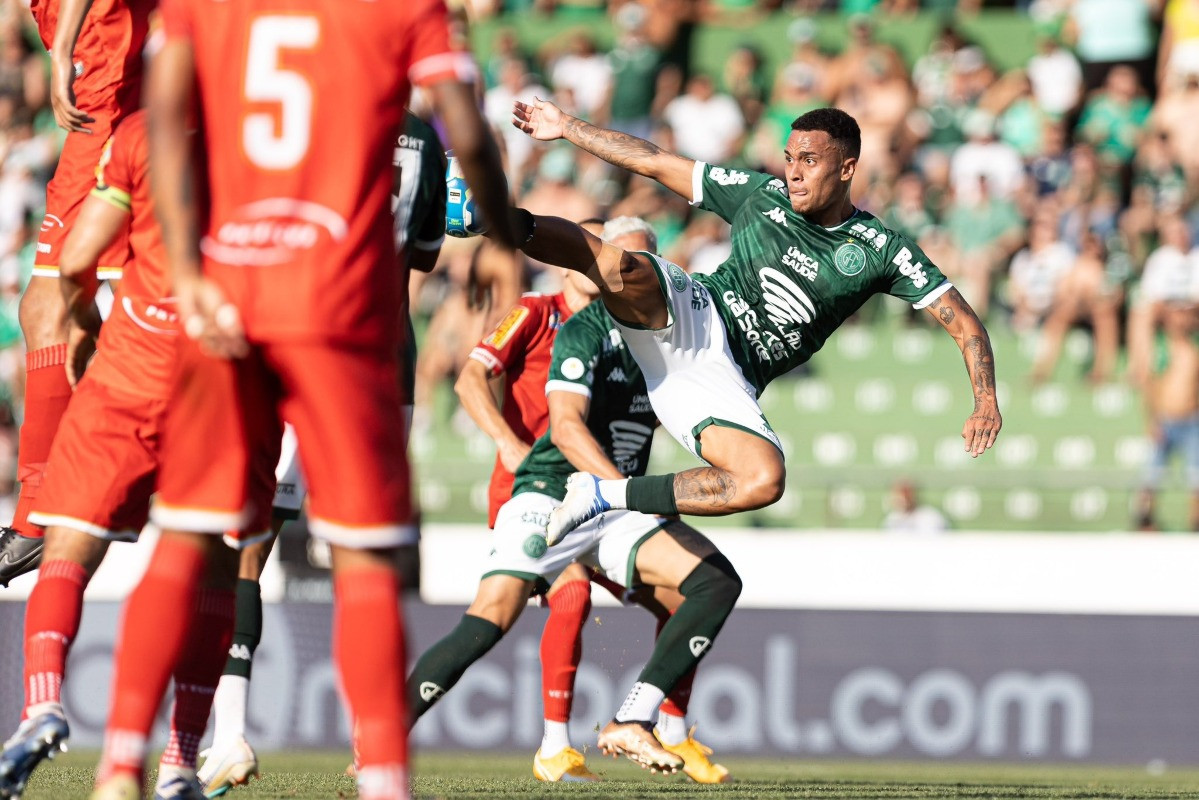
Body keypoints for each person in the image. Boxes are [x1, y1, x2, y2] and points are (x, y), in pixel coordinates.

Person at [90, 4, 516, 800]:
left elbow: (167, 118)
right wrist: (498, 233)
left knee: (187, 541)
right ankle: (384, 778)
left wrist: (185, 269)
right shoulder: (402, 14)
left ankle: (119, 766)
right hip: (339, 317)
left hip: (229, 300)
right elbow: (462, 121)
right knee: (362, 564)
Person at [504, 101, 1000, 542]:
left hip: (724, 382)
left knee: (764, 480)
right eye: (789, 159)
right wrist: (566, 126)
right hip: (696, 315)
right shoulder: (762, 196)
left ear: (847, 168)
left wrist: (985, 402)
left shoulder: (880, 250)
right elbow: (655, 161)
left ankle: (604, 495)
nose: (794, 173)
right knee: (624, 266)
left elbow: (964, 322)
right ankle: (499, 221)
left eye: (809, 161)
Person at [0, 109, 280, 800]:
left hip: (129, 369)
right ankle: (180, 762)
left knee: (65, 550)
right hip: (224, 380)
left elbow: (74, 262)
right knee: (213, 565)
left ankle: (41, 707)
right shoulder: (275, 144)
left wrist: (92, 326)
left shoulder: (139, 132)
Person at [197, 109, 449, 797]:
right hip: (389, 364)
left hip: (311, 349)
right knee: (363, 561)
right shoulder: (427, 135)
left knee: (243, 545)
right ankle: (378, 756)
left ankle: (230, 738)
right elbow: (426, 252)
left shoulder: (314, 112)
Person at [408, 288, 741, 775]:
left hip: (609, 498)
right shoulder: (547, 316)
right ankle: (549, 744)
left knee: (696, 591)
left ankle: (649, 722)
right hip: (545, 489)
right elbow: (477, 382)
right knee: (530, 607)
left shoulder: (659, 343)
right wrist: (506, 441)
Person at [0, 0, 155, 586]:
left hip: (107, 92)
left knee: (50, 307)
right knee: (80, 309)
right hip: (111, 86)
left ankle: (37, 517)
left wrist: (63, 46)